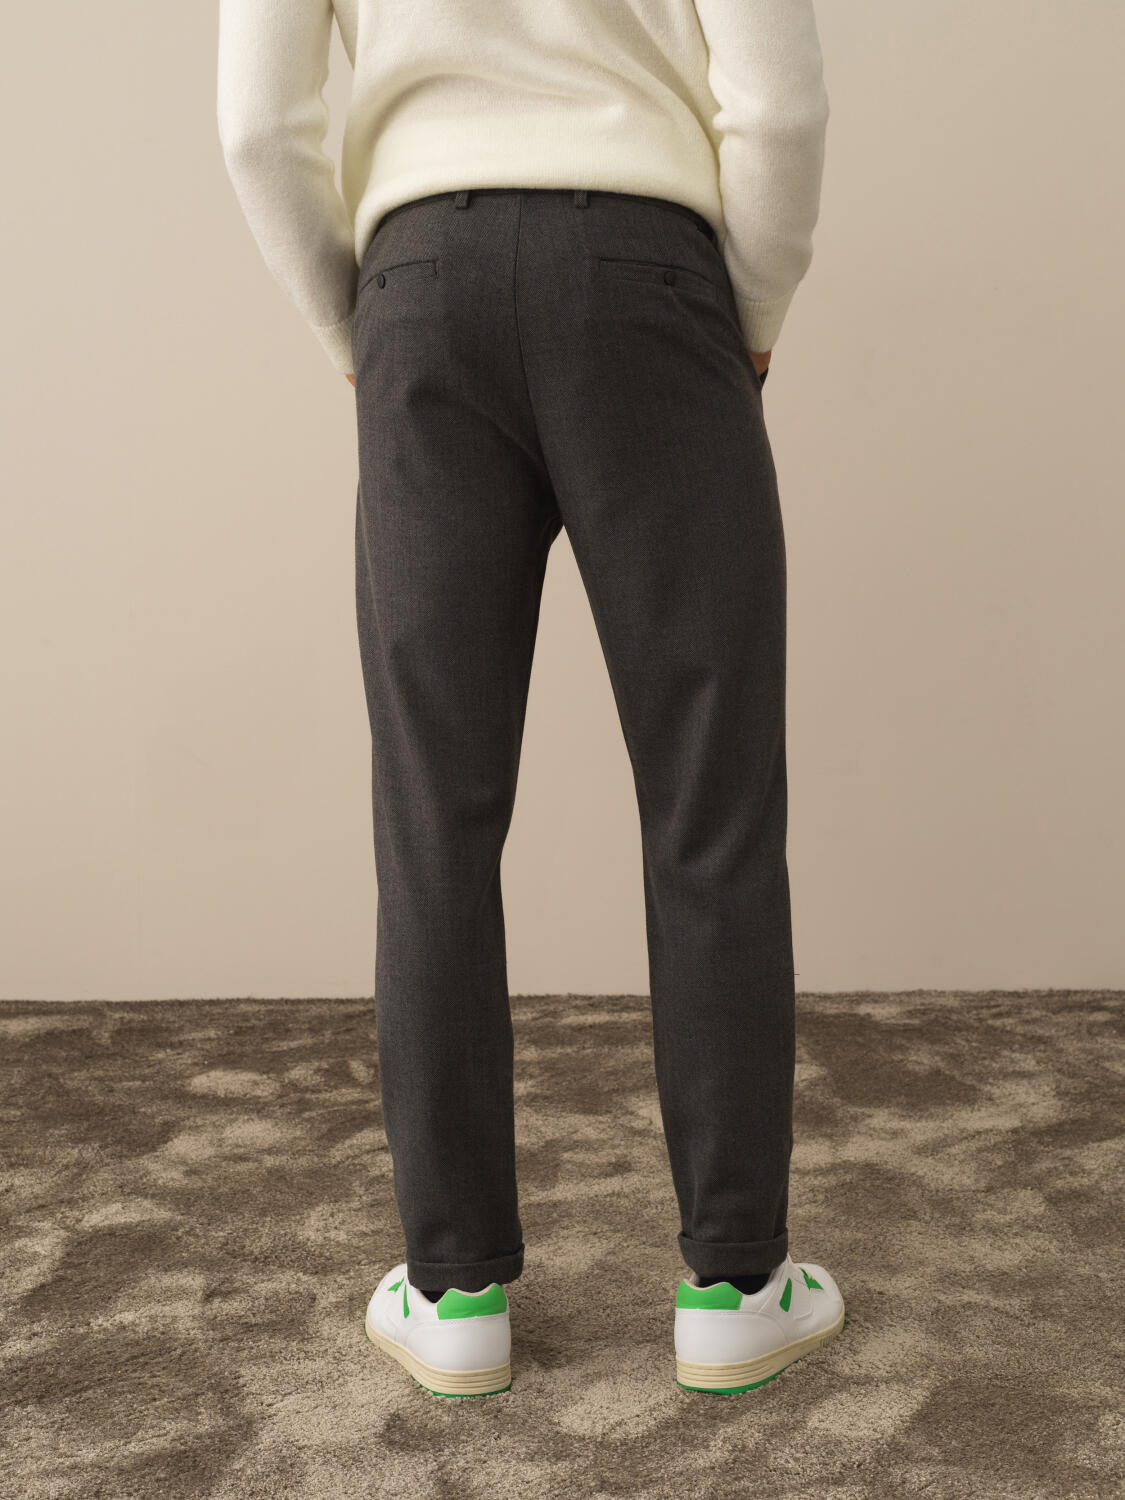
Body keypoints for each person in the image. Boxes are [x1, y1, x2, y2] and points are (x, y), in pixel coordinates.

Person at [217, 0, 845, 1399]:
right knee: (710, 800)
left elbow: (258, 126)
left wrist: (361, 319)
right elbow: (781, 104)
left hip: (420, 285)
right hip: (649, 278)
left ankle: (452, 1295)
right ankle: (737, 1287)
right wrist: (746, 314)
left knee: (432, 816)